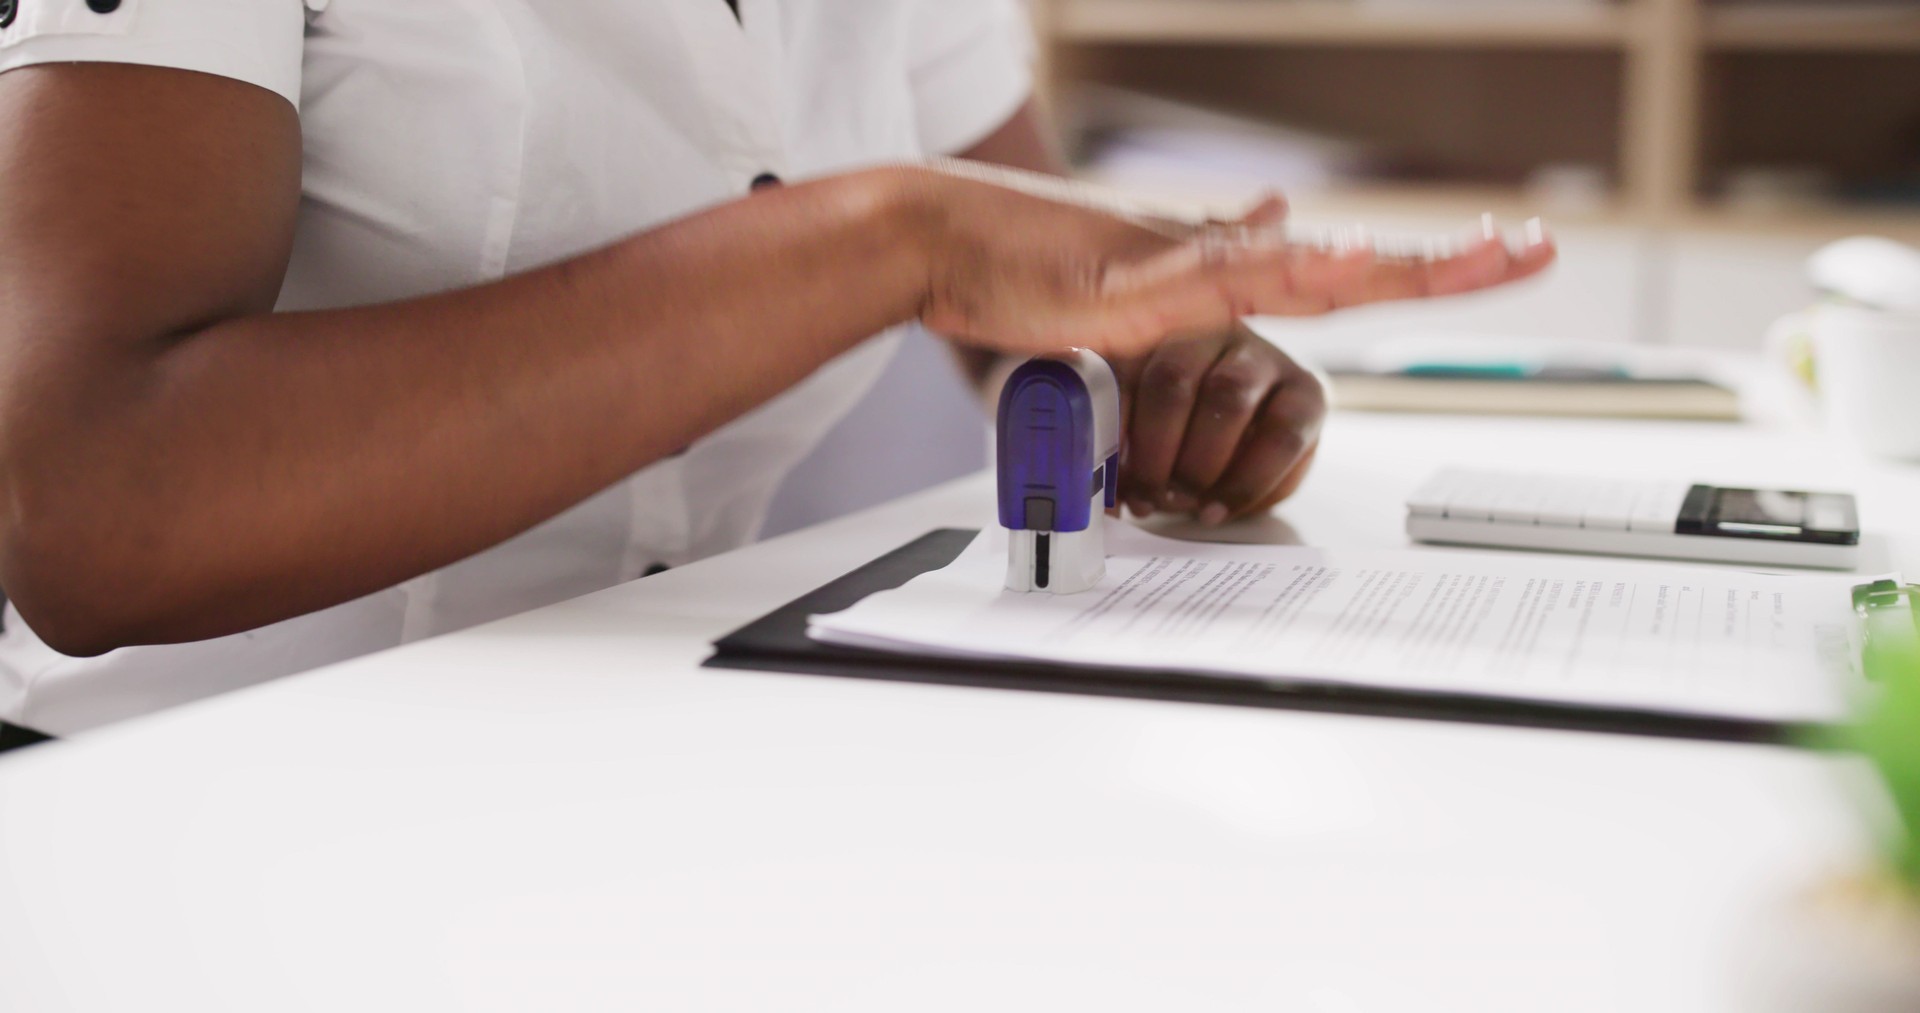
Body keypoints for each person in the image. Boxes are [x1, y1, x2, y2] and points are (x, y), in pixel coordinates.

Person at [0, 0, 1554, 738]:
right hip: (188, 794)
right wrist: (884, 236)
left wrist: (1165, 361)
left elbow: (1037, 281)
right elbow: (85, 511)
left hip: (651, 755)